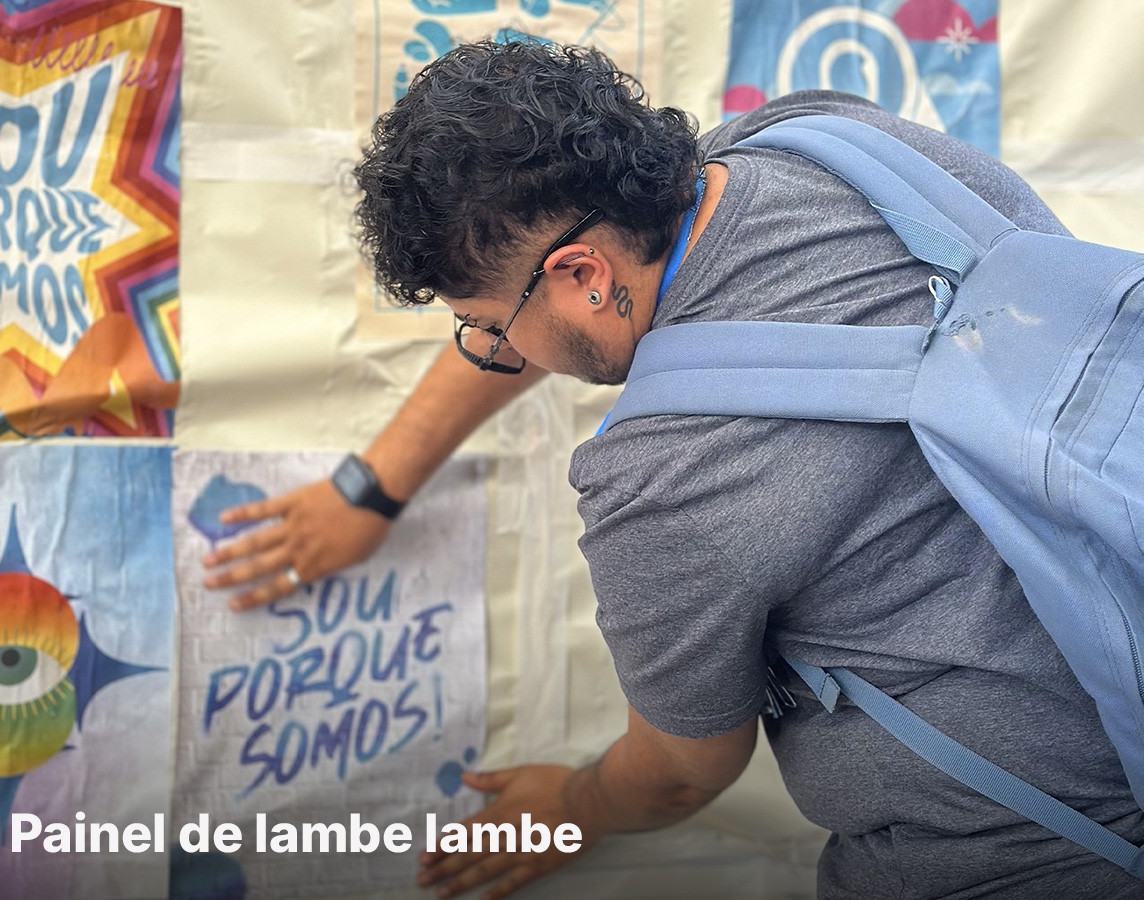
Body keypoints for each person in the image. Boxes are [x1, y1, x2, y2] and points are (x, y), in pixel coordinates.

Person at [202, 41, 1144, 899]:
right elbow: (550, 295)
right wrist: (375, 484)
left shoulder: (662, 487)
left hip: (1024, 856)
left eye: (485, 327)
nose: (494, 351)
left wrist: (569, 804)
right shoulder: (826, 140)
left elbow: (678, 774)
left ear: (584, 276)